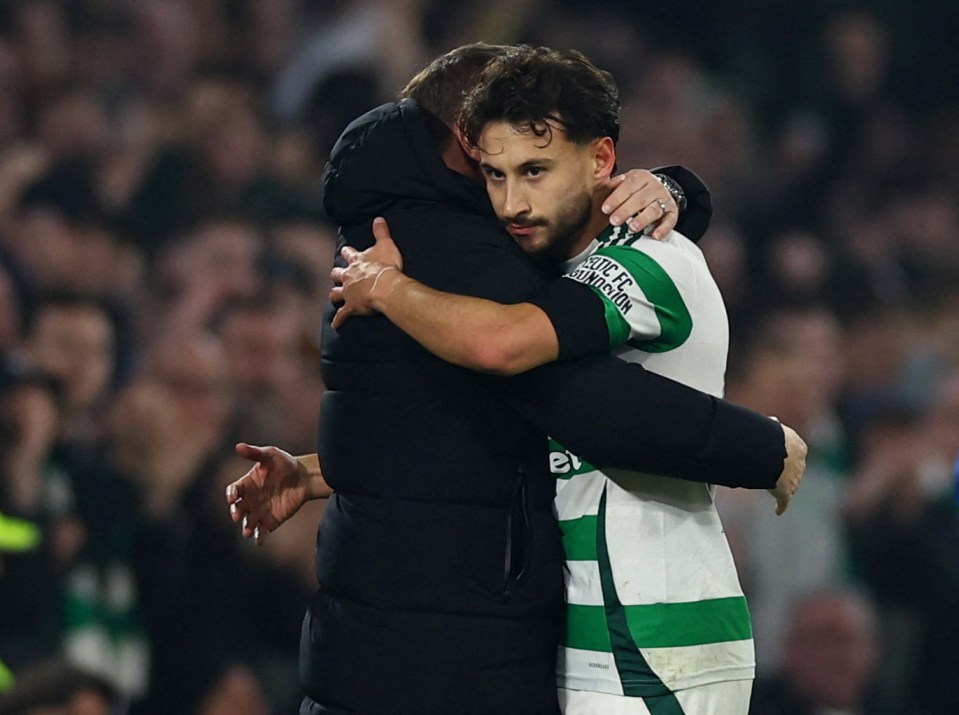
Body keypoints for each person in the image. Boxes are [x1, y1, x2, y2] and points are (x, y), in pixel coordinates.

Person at [227, 43, 806, 715]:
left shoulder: (610, 256)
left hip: (651, 624)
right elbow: (506, 408)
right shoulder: (458, 254)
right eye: (498, 173)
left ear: (598, 158)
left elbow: (527, 373)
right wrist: (337, 468)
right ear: (467, 146)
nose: (511, 201)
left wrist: (675, 188)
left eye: (534, 169)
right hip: (564, 632)